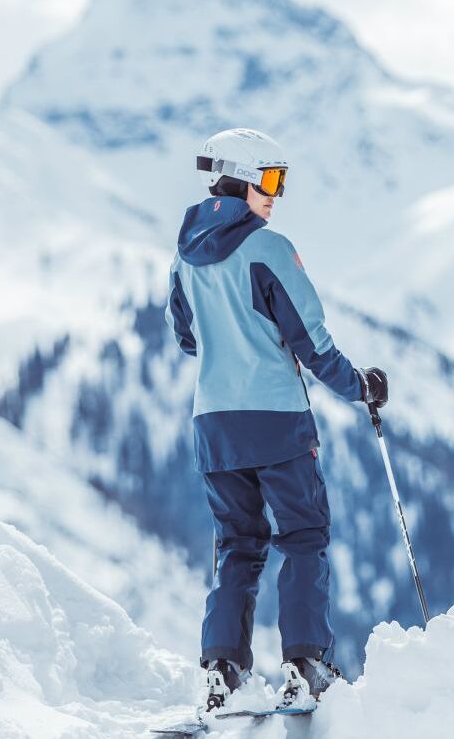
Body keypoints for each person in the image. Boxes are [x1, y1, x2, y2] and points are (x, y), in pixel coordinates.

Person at [165, 127, 389, 714]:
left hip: (213, 423)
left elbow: (187, 338)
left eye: (280, 181)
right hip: (276, 420)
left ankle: (222, 671)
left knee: (236, 545)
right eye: (270, 179)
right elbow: (312, 344)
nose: (276, 193)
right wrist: (361, 387)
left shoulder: (185, 255)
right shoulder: (268, 249)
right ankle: (305, 665)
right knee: (304, 536)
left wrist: (229, 335)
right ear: (239, 178)